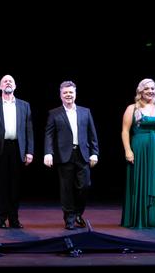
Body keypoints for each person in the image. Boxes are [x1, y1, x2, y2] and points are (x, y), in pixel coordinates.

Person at [44, 80, 99, 230]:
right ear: (60, 95)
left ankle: (77, 213)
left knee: (85, 185)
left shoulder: (85, 112)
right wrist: (48, 152)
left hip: (82, 154)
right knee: (66, 188)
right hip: (64, 155)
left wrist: (95, 153)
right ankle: (69, 217)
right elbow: (49, 135)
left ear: (75, 94)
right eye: (65, 93)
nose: (68, 95)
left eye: (71, 92)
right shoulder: (54, 113)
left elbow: (92, 134)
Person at [120, 78, 155, 228]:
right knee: (139, 180)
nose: (151, 91)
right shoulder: (133, 108)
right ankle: (140, 218)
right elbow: (125, 131)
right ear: (140, 92)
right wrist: (128, 150)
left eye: (153, 88)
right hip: (140, 149)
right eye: (147, 89)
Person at [0, 74, 34, 229]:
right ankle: (1, 219)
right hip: (0, 149)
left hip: (18, 148)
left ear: (15, 86)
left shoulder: (24, 105)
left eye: (10, 81)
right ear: (0, 86)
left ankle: (14, 219)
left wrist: (30, 151)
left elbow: (29, 130)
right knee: (1, 186)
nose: (8, 83)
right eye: (5, 81)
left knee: (15, 186)